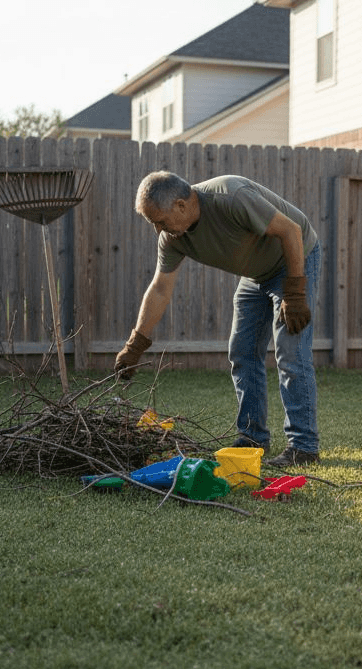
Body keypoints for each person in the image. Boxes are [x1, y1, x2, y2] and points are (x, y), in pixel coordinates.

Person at [116, 171, 322, 468]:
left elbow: (291, 230)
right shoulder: (172, 238)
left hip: (292, 260)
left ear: (181, 206)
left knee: (291, 352)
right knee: (242, 352)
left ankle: (303, 447)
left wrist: (295, 292)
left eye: (159, 221)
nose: (157, 229)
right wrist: (135, 344)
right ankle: (252, 438)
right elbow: (160, 288)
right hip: (255, 274)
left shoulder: (231, 197)